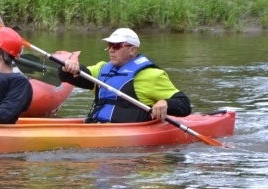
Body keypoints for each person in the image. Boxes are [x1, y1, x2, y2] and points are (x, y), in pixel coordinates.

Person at [58, 28, 192, 123]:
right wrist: (67, 69)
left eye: (116, 46)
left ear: (132, 50)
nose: (111, 50)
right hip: (97, 125)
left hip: (130, 131)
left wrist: (165, 103)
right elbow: (76, 76)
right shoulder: (101, 69)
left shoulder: (151, 75)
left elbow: (184, 105)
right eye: (110, 45)